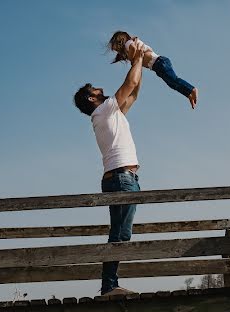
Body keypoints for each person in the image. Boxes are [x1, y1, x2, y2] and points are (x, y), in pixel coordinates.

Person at [73, 40, 145, 296]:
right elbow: (129, 84)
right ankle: (109, 286)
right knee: (121, 235)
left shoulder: (109, 113)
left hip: (123, 178)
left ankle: (109, 285)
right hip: (122, 178)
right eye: (96, 88)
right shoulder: (103, 111)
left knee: (120, 233)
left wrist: (142, 63)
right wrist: (138, 58)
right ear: (92, 98)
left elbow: (133, 92)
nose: (100, 88)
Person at [108, 31, 198, 110]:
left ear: (120, 41)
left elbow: (134, 49)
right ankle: (188, 94)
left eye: (116, 48)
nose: (117, 51)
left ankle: (192, 89)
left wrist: (132, 60)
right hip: (157, 66)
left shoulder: (129, 43)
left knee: (173, 80)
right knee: (172, 84)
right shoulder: (130, 46)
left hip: (159, 62)